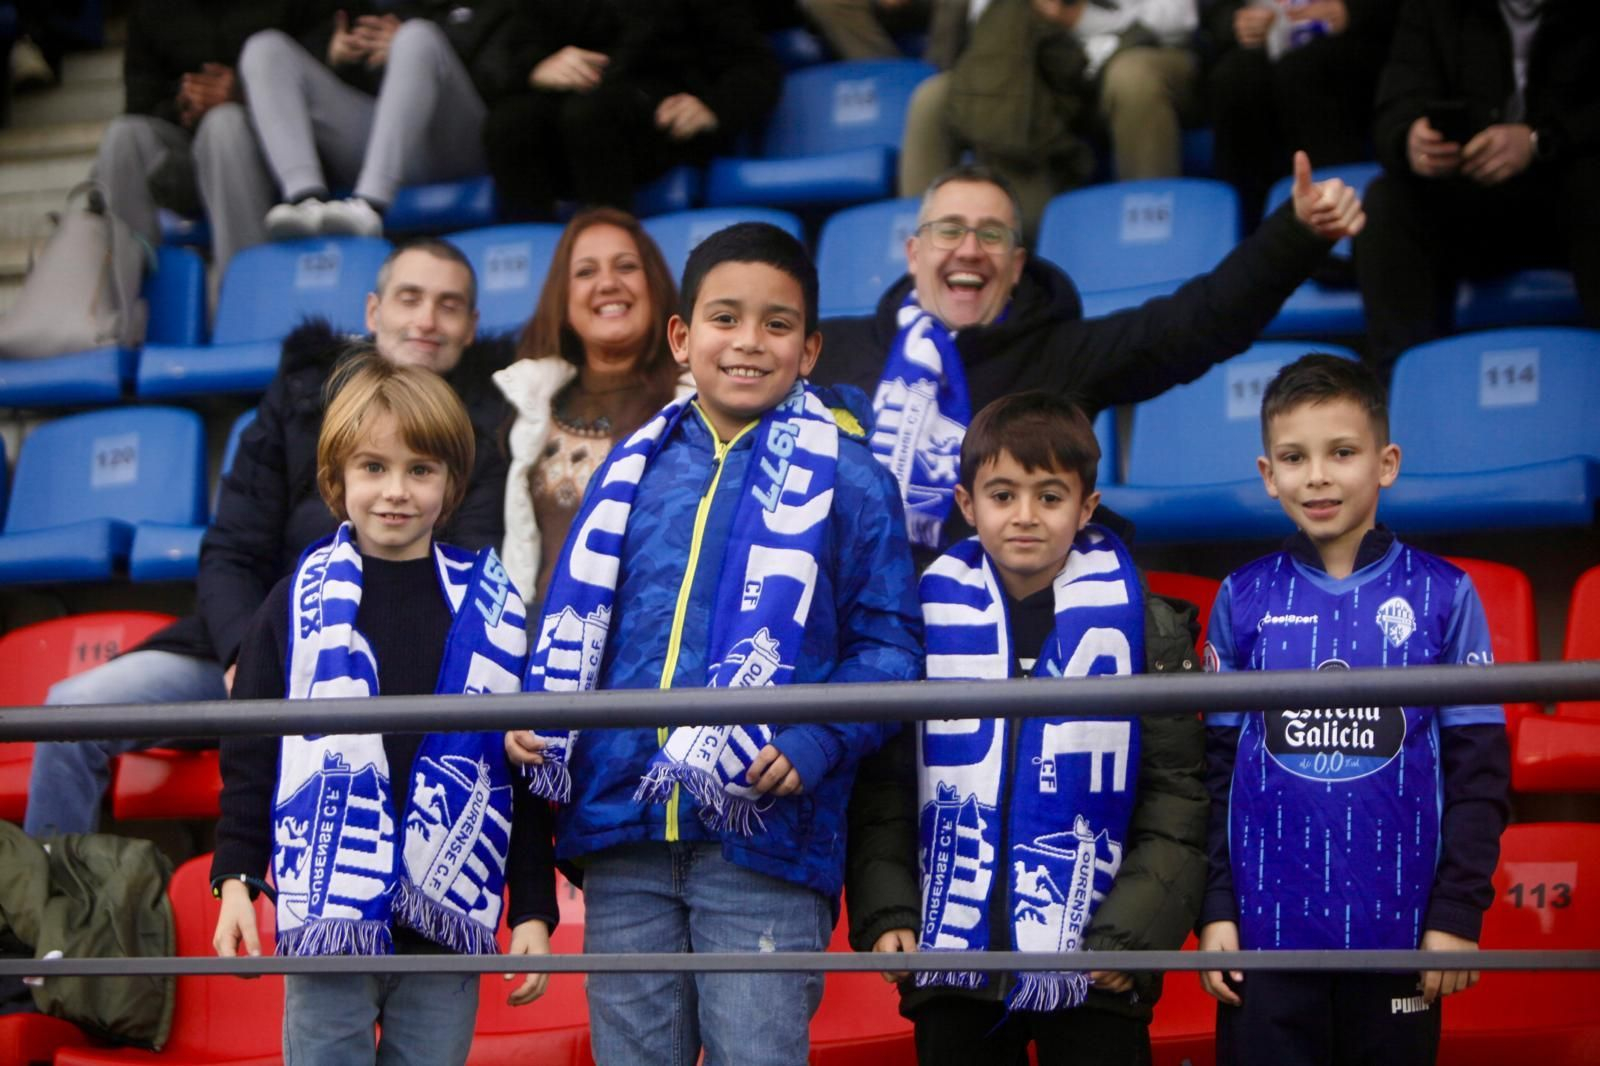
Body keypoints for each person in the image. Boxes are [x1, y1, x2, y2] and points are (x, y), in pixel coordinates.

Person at [505, 223, 923, 1065]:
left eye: (777, 325)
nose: (748, 342)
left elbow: (891, 648)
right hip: (621, 832)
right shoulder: (629, 470)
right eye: (725, 318)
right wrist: (536, 711)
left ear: (809, 349)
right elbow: (572, 626)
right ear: (682, 337)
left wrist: (817, 736)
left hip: (764, 838)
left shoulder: (852, 478)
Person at [23, 238, 513, 838]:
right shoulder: (300, 402)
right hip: (236, 653)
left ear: (471, 327)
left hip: (382, 677)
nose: (426, 320)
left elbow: (465, 571)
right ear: (372, 311)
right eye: (409, 298)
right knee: (66, 716)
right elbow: (230, 549)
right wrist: (243, 658)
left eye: (449, 305)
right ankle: (56, 921)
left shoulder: (481, 437)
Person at [211, 352, 554, 1064]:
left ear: (452, 484)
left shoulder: (491, 614)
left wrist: (532, 908)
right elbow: (251, 755)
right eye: (373, 468)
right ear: (336, 481)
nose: (396, 491)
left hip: (446, 920)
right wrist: (237, 878)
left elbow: (516, 774)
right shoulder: (292, 605)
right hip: (328, 918)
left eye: (420, 470)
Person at [850, 391, 1206, 1064]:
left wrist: (1130, 937)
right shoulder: (918, 626)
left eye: (1049, 497)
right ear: (966, 504)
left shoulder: (1144, 629)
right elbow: (885, 787)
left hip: (1098, 962)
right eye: (1003, 494)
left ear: (1087, 508)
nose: (1025, 517)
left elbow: (1177, 799)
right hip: (954, 958)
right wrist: (890, 912)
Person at [813, 158, 1367, 569]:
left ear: (1016, 265)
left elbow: (1197, 323)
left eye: (993, 234)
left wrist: (1296, 235)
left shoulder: (1063, 355)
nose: (970, 249)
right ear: (915, 254)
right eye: (950, 229)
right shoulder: (831, 349)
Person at [1196, 354, 1510, 1066]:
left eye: (1341, 452)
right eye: (1293, 457)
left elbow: (1479, 772)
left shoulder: (1446, 595)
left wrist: (1458, 912)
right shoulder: (1239, 599)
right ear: (1267, 473)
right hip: (1266, 941)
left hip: (1396, 936)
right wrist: (1215, 910)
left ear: (1386, 462)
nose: (1317, 476)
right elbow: (1212, 776)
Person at [1352, 0, 1600, 371]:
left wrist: (1538, 142)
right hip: (1470, 199)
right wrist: (1411, 141)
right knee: (1386, 203)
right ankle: (1405, 392)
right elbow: (1395, 104)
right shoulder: (1435, 9)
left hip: (1571, 199)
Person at [494, 207, 689, 608]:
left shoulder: (692, 400)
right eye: (586, 272)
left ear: (654, 285)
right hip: (536, 641)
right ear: (563, 300)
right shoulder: (530, 399)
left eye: (626, 266)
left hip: (643, 645)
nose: (608, 283)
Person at [85, 0, 302, 311]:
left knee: (224, 123)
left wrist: (241, 93)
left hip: (278, 153)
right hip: (184, 156)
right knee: (124, 135)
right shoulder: (151, 9)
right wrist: (184, 104)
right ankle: (124, 310)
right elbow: (140, 101)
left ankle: (244, 302)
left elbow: (319, 69)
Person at [479, 0, 782, 222]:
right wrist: (537, 66)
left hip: (657, 120)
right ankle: (532, 262)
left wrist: (713, 107)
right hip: (567, 124)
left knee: (589, 114)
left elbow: (755, 65)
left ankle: (613, 255)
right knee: (509, 124)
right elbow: (515, 53)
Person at [238, 1, 517, 239]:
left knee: (416, 37)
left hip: (455, 139)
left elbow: (505, 70)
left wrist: (415, 43)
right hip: (378, 143)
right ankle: (305, 201)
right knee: (265, 48)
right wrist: (330, 50)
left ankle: (370, 206)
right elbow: (312, 28)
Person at [1205, 0, 1397, 231]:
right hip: (1264, 47)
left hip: (1357, 44)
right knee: (1235, 79)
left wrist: (1353, 11)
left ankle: (1339, 225)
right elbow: (1213, 13)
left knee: (1302, 73)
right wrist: (1236, 21)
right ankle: (1244, 232)